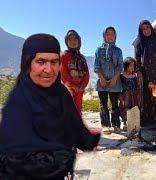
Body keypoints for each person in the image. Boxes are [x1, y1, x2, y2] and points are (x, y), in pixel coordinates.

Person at [0, 33, 100, 179]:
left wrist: (88, 140)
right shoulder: (19, 102)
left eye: (54, 62)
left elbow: (76, 126)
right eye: (41, 61)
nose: (48, 69)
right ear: (28, 63)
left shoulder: (62, 93)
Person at [94, 26, 123, 132]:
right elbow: (96, 66)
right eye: (108, 34)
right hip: (101, 82)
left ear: (115, 36)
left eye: (112, 34)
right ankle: (105, 124)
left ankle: (116, 124)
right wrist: (101, 78)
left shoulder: (118, 51)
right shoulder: (99, 50)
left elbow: (120, 66)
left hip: (114, 82)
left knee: (115, 104)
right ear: (104, 36)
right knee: (103, 104)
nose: (110, 36)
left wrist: (115, 79)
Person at [60, 29, 89, 116]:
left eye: (75, 39)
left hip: (79, 89)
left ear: (79, 41)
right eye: (70, 39)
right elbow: (63, 72)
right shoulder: (64, 56)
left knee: (78, 109)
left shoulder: (82, 58)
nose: (73, 41)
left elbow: (86, 74)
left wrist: (82, 86)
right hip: (68, 88)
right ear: (66, 41)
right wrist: (72, 86)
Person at [119, 57, 140, 131]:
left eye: (134, 66)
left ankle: (133, 124)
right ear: (126, 66)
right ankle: (124, 122)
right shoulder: (121, 75)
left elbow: (137, 85)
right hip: (125, 95)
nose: (133, 68)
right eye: (131, 66)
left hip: (133, 95)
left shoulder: (135, 75)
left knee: (133, 107)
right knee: (125, 107)